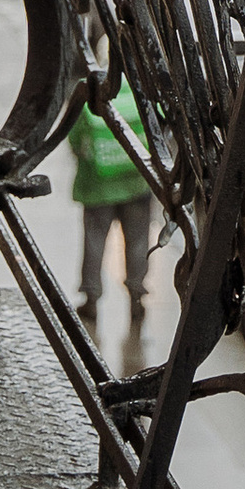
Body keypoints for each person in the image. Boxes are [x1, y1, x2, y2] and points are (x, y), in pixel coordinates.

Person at [72, 87, 152, 331]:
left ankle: (91, 299)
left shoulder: (90, 89)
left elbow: (74, 138)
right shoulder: (141, 87)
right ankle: (137, 297)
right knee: (138, 242)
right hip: (137, 182)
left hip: (98, 187)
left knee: (95, 242)